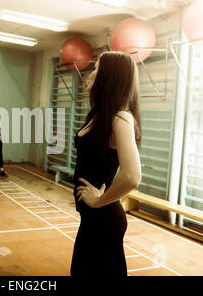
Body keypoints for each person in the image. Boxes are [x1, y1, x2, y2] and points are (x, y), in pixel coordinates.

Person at [70, 51, 142, 277]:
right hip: (91, 217)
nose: (90, 74)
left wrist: (100, 200)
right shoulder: (98, 115)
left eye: (96, 68)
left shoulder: (120, 117)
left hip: (104, 220)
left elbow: (132, 176)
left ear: (109, 76)